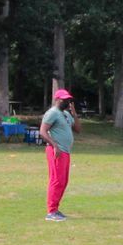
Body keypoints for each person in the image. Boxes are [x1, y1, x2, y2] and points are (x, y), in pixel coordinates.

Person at [42, 87, 78, 221]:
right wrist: (54, 145)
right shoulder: (52, 113)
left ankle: (55, 209)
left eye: (69, 100)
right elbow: (43, 131)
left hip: (65, 152)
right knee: (56, 180)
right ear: (57, 100)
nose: (68, 102)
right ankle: (51, 212)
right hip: (56, 151)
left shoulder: (66, 114)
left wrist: (74, 113)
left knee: (63, 181)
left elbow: (78, 129)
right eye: (66, 100)